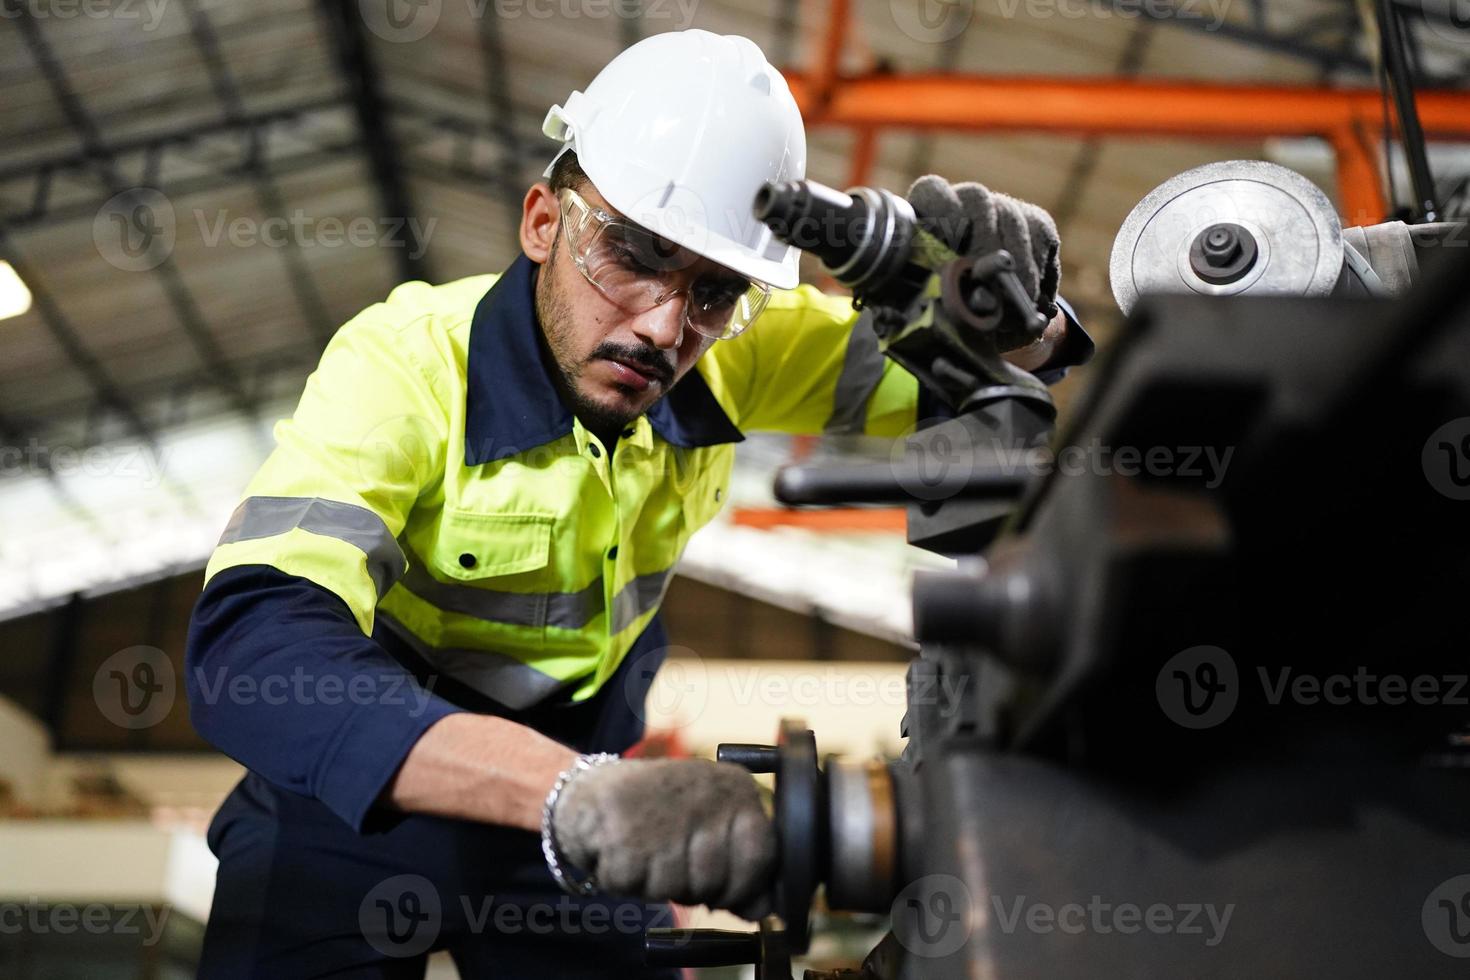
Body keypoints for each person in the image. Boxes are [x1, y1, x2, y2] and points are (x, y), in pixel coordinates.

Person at [185, 28, 1092, 978]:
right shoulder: (406, 365)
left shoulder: (736, 343)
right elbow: (254, 649)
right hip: (363, 789)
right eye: (632, 254)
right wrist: (573, 796)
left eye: (713, 290)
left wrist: (1025, 321)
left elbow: (976, 379)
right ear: (543, 221)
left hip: (590, 808)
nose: (665, 324)